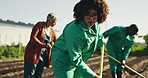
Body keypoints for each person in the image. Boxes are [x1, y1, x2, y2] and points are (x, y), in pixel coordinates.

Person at [51, 0, 109, 78]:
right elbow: (75, 59)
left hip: (79, 59)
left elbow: (98, 36)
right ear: (82, 14)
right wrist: (93, 76)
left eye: (94, 15)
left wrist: (103, 42)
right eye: (87, 14)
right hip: (63, 59)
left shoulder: (96, 25)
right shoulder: (75, 31)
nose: (91, 18)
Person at [24, 12, 57, 78]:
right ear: (49, 20)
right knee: (30, 74)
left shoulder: (51, 30)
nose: (55, 23)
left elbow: (57, 41)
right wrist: (44, 45)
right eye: (54, 21)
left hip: (42, 56)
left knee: (38, 75)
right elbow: (33, 38)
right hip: (33, 54)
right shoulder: (39, 25)